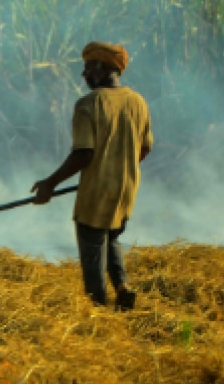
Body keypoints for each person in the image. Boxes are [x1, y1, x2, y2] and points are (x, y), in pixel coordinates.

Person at [31, 41, 153, 311]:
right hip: (126, 190)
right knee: (112, 236)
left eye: (88, 68)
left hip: (97, 192)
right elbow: (144, 148)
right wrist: (119, 166)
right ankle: (122, 287)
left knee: (92, 247)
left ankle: (98, 307)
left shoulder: (89, 104)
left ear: (102, 68)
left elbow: (84, 154)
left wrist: (49, 184)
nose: (84, 75)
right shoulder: (138, 102)